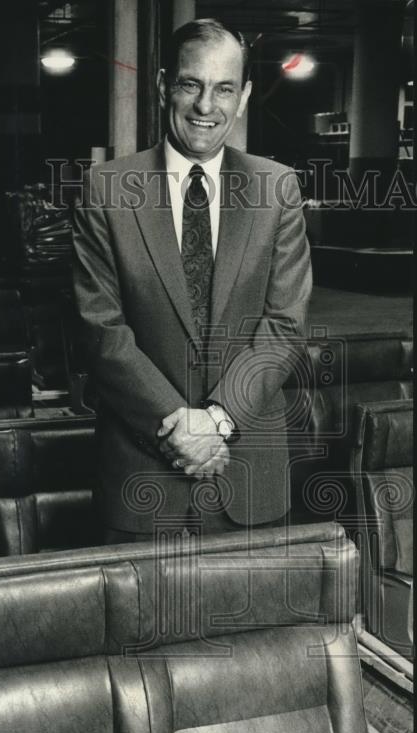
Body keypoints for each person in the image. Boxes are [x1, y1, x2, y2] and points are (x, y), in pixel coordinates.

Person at [72, 17, 312, 542]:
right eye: (191, 84)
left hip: (248, 479)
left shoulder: (278, 189)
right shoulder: (107, 189)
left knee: (261, 627)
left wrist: (219, 421)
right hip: (140, 479)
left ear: (244, 96)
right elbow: (102, 331)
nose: (207, 106)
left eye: (224, 88)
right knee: (142, 625)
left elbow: (284, 326)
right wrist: (179, 428)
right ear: (163, 86)